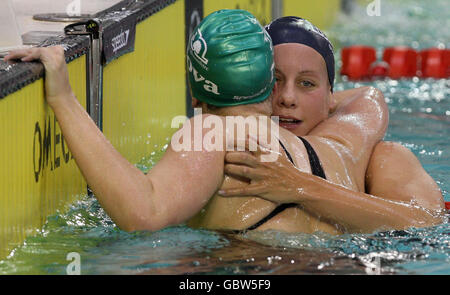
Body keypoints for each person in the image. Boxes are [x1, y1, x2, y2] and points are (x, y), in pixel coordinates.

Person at [4, 10, 385, 234]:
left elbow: (143, 213)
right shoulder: (334, 147)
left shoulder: (213, 132)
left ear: (195, 95)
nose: (289, 98)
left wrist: (64, 100)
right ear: (270, 85)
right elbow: (369, 99)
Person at [218, 16, 446, 233]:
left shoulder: (381, 158)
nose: (287, 98)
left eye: (306, 84)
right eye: (273, 80)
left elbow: (424, 221)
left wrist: (300, 186)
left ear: (331, 98)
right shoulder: (230, 149)